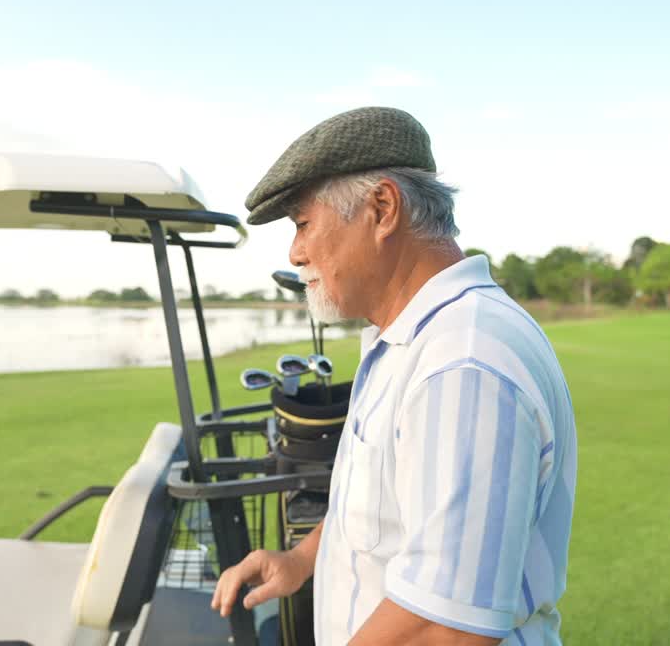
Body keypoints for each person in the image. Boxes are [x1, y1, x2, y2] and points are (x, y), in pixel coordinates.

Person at [211, 107, 577, 645]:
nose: (295, 252)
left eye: (303, 224)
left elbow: (446, 627)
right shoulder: (409, 341)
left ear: (383, 208)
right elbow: (389, 514)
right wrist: (300, 559)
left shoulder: (460, 365)